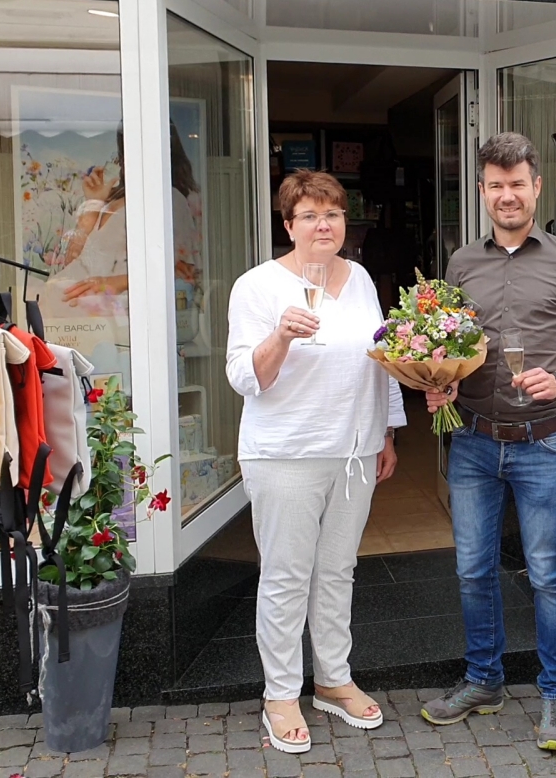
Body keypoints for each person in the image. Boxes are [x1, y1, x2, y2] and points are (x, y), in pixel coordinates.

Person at [420, 132, 556, 751]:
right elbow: (446, 341)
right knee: (473, 571)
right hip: (474, 443)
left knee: (549, 575)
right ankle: (485, 681)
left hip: (543, 443)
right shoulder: (460, 262)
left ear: (535, 187)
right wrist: (438, 380)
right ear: (482, 191)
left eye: (517, 184)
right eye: (495, 185)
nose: (507, 195)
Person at [225, 170, 405, 754]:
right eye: (309, 215)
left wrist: (387, 432)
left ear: (344, 222)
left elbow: (382, 355)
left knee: (337, 570)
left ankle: (332, 679)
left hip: (353, 451)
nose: (323, 224)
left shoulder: (360, 279)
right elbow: (244, 377)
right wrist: (280, 336)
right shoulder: (257, 286)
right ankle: (280, 692)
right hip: (285, 453)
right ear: (288, 225)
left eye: (332, 213)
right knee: (285, 575)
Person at [46, 123, 200, 315]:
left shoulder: (169, 198)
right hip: (74, 312)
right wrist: (93, 203)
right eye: (125, 152)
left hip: (111, 316)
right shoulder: (113, 199)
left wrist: (113, 283)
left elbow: (181, 271)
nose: (127, 160)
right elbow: (72, 261)